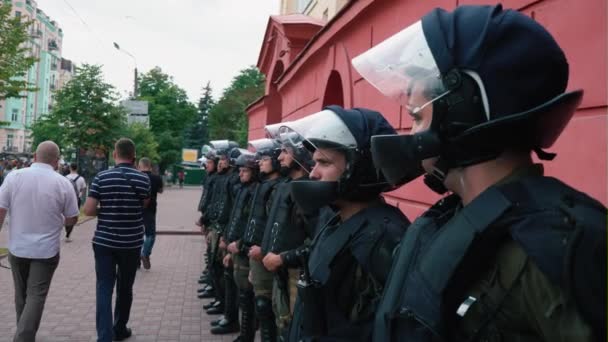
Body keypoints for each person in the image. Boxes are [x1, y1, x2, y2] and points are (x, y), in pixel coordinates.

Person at [351, 4, 606, 341]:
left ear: (463, 110)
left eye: (415, 115)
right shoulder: (453, 217)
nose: (410, 135)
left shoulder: (558, 247)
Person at [284, 106, 410, 341]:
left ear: (359, 169)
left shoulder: (384, 236)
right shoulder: (336, 220)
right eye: (314, 163)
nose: (312, 174)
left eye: (324, 163)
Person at [0, 141, 79, 342]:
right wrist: (59, 219)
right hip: (46, 251)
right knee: (36, 296)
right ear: (56, 161)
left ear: (34, 156)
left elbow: (0, 211)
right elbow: (72, 219)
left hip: (17, 248)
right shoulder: (63, 183)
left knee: (21, 296)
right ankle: (23, 338)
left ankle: (23, 334)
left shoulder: (14, 177)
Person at [84, 138, 151, 342]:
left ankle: (104, 336)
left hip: (104, 241)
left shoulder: (101, 177)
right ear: (134, 156)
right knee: (125, 287)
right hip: (131, 243)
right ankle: (120, 328)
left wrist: (107, 209)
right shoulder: (143, 179)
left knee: (104, 287)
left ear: (115, 154)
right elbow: (145, 204)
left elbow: (88, 210)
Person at [260, 131, 324, 340]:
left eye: (285, 152)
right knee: (281, 323)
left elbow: (318, 244)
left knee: (295, 330)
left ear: (299, 154)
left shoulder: (310, 191)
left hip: (298, 274)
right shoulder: (285, 186)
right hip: (280, 271)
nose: (279, 157)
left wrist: (283, 258)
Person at [241, 138, 284, 342]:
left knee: (267, 307)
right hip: (257, 253)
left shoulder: (277, 188)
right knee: (262, 304)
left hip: (268, 254)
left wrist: (264, 248)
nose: (259, 162)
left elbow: (275, 225)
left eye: (265, 158)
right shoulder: (265, 185)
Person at [215, 152, 260, 338]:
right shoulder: (242, 189)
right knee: (238, 288)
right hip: (234, 244)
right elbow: (234, 217)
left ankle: (246, 333)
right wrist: (227, 238)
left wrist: (239, 245)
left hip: (243, 247)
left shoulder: (255, 191)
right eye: (239, 170)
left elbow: (250, 223)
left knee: (246, 294)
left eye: (245, 171)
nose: (240, 174)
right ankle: (240, 328)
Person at [138, 157, 163, 270]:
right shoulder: (156, 177)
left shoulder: (137, 177)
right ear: (150, 166)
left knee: (137, 235)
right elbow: (161, 190)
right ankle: (145, 253)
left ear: (140, 165)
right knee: (150, 234)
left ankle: (136, 259)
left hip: (136, 209)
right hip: (151, 208)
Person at [64, 162, 87, 242]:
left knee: (66, 215)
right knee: (73, 216)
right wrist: (80, 196)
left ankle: (66, 230)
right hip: (77, 199)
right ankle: (68, 234)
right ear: (77, 168)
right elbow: (84, 189)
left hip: (67, 199)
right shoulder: (81, 178)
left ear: (70, 168)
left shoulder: (65, 178)